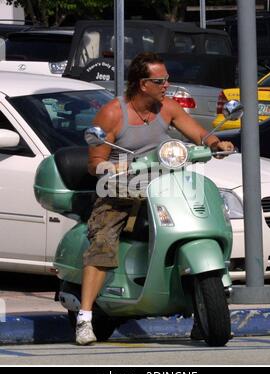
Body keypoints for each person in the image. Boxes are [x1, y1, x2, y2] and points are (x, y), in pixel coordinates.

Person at [75, 52, 234, 345]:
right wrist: (114, 166)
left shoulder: (167, 108)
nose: (166, 85)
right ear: (141, 83)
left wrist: (215, 142)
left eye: (166, 79)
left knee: (196, 222)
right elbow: (94, 161)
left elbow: (198, 133)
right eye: (160, 80)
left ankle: (203, 313)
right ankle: (85, 318)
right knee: (102, 243)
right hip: (121, 188)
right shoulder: (114, 112)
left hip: (165, 184)